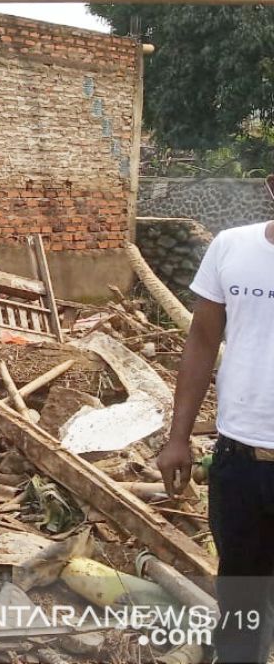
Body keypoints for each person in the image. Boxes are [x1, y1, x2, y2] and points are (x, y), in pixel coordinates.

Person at [157, 173, 274, 664]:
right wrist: (177, 437)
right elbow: (202, 341)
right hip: (238, 461)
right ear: (272, 186)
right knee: (242, 604)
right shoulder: (232, 247)